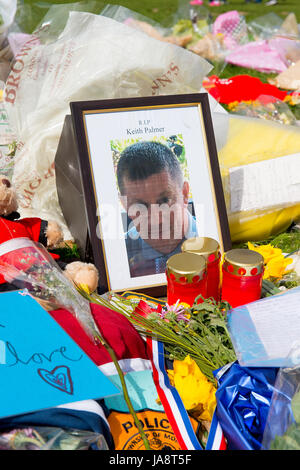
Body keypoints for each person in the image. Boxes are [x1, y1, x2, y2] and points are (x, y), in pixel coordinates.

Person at [116, 140, 198, 277]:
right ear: (125, 206)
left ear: (184, 193)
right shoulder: (116, 258)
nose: (157, 220)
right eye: (140, 206)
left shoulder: (214, 240)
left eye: (164, 201)